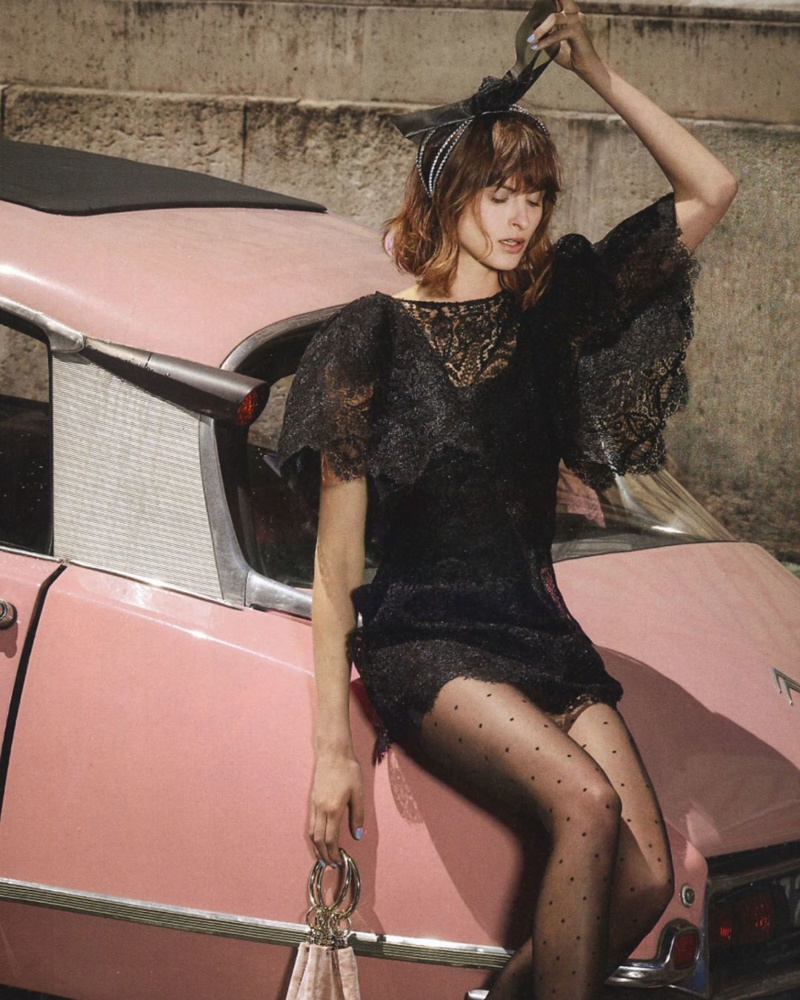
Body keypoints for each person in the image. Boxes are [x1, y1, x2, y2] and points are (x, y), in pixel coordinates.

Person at [278, 1, 737, 996]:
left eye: (534, 195)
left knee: (647, 878)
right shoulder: (368, 338)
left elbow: (711, 187)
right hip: (428, 639)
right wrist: (330, 752)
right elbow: (334, 570)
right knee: (586, 805)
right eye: (498, 195)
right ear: (448, 196)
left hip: (536, 631)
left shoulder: (549, 316)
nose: (520, 217)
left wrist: (596, 72)